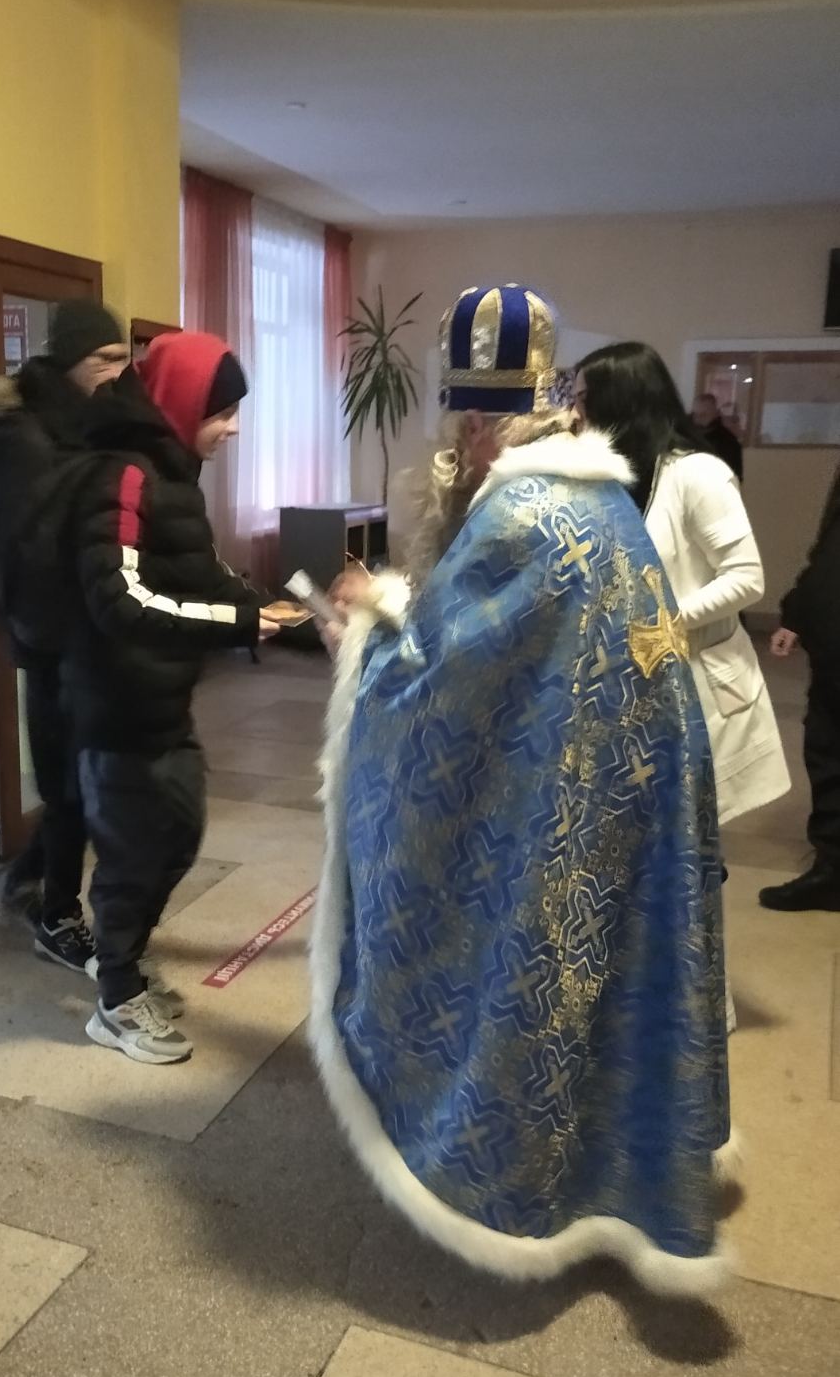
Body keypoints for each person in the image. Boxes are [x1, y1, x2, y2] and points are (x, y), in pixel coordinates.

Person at [312, 285, 734, 1296]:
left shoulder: (519, 514)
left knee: (528, 956)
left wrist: (365, 622)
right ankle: (623, 1170)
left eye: (459, 426)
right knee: (607, 971)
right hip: (630, 782)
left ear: (474, 421)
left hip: (564, 797)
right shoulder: (601, 500)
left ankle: (510, 1172)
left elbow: (434, 691)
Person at [68, 332, 280, 1065]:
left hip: (159, 699)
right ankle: (116, 997)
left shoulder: (172, 475)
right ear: (183, 403)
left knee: (177, 833)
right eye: (221, 412)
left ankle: (124, 963)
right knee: (134, 852)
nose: (233, 428)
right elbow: (119, 600)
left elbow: (200, 571)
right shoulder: (124, 476)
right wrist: (236, 622)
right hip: (115, 705)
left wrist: (271, 606)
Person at [575, 344, 789, 1026]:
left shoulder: (697, 473)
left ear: (620, 402)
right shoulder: (623, 477)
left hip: (700, 689)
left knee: (691, 856)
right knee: (653, 856)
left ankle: (701, 1013)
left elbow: (747, 578)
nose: (575, 411)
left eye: (584, 398)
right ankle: (650, 1002)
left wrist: (666, 621)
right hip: (647, 689)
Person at [0, 301, 128, 974]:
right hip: (55, 646)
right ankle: (56, 915)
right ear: (68, 361)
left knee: (79, 786)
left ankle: (28, 878)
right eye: (102, 360)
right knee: (70, 790)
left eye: (122, 359)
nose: (115, 372)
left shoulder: (89, 426)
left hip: (91, 640)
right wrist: (45, 634)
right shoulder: (20, 440)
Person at [760, 464, 840, 911]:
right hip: (831, 640)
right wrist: (797, 613)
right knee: (826, 749)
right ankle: (832, 870)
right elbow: (828, 546)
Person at [691, 391, 745, 482]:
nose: (698, 419)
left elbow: (735, 476)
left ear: (715, 413)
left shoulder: (728, 441)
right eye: (695, 415)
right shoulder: (685, 435)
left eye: (704, 415)